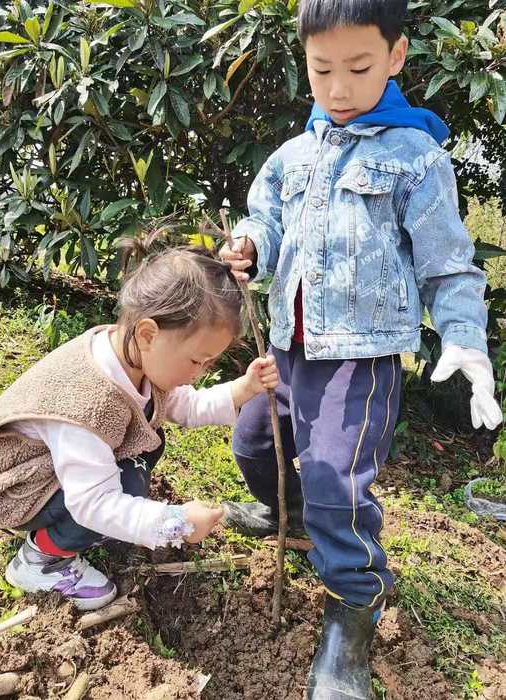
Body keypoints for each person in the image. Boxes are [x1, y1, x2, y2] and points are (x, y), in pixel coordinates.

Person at [219, 1, 503, 697]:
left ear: (395, 57)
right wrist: (251, 246)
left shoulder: (416, 158)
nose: (338, 89)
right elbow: (267, 219)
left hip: (359, 358)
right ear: (305, 61)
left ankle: (353, 602)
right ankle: (286, 518)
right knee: (253, 444)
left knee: (334, 482)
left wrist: (464, 337)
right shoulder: (294, 154)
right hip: (287, 347)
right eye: (321, 70)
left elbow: (447, 263)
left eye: (357, 68)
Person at [0, 235, 278, 611]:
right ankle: (40, 560)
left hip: (51, 471)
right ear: (149, 333)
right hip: (14, 489)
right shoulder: (87, 400)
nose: (200, 373)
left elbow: (183, 405)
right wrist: (176, 522)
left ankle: (97, 523)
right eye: (197, 361)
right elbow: (94, 503)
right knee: (122, 488)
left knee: (141, 457)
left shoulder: (134, 355)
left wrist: (242, 389)